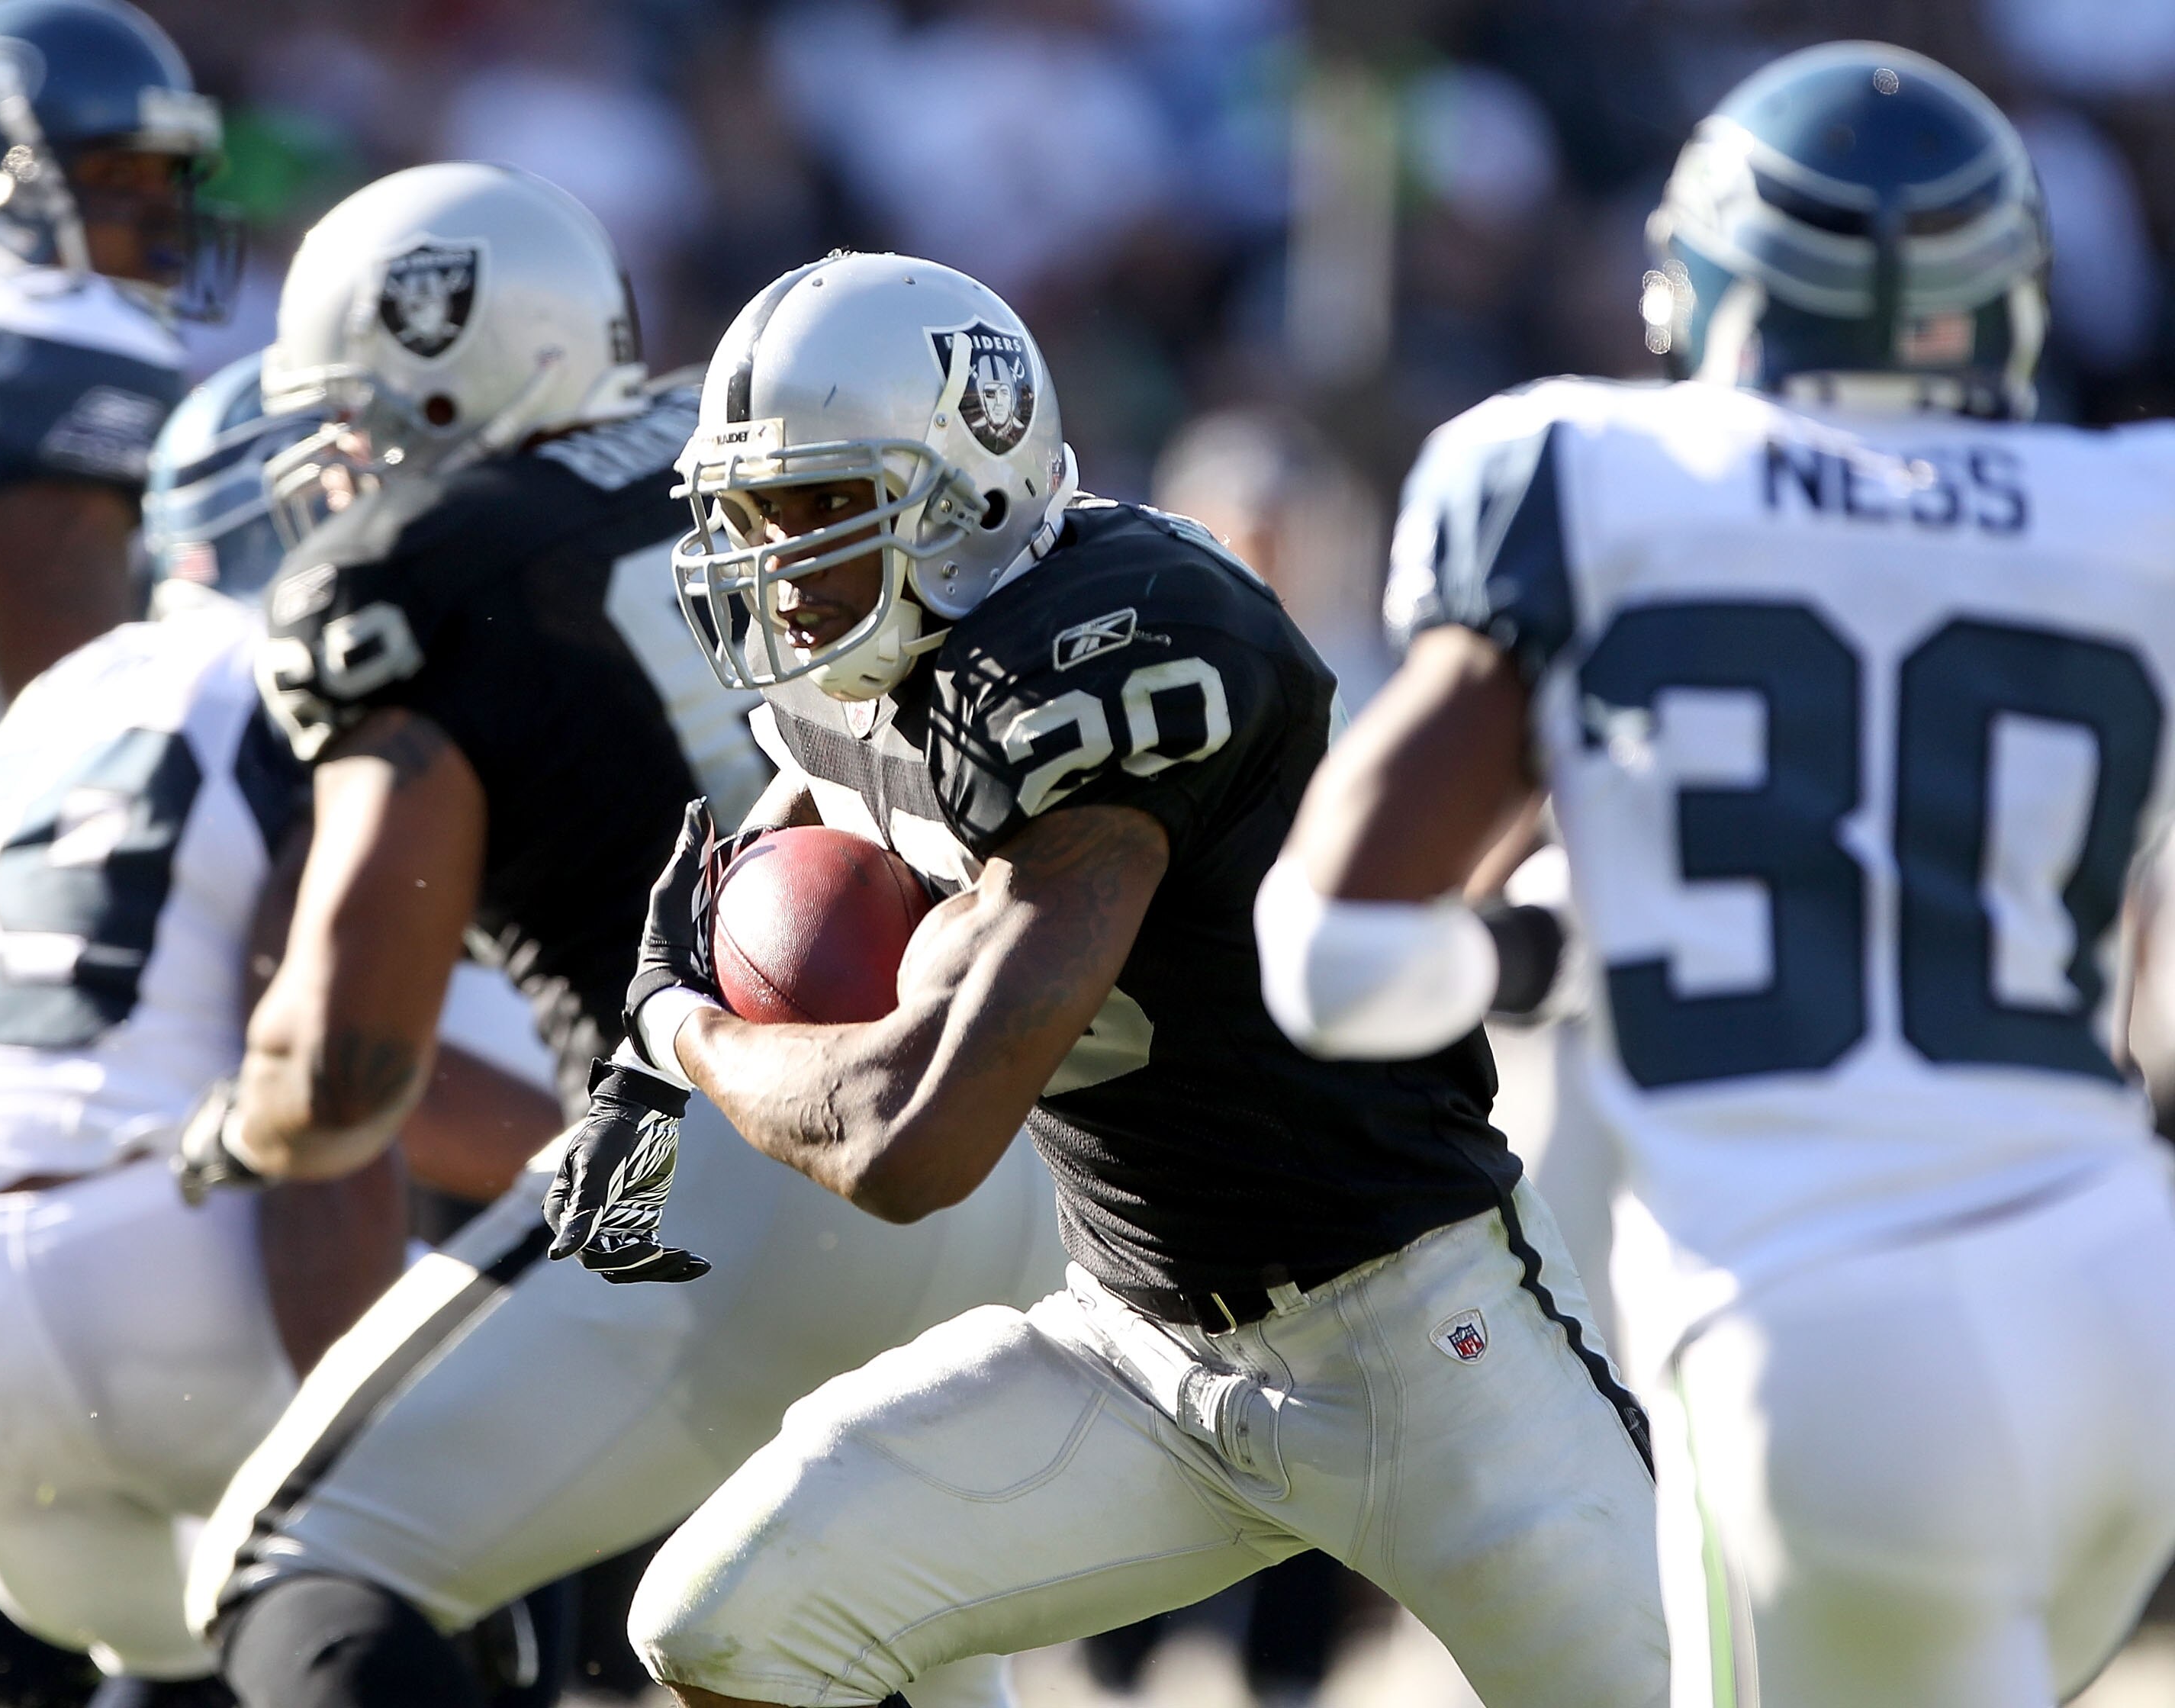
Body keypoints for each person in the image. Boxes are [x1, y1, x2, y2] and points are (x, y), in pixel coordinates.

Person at [559, 249, 1665, 1708]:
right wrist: (645, 1068)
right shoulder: (859, 669)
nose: (779, 558)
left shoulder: (1113, 652)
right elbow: (771, 866)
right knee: (728, 1623)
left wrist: (677, 1027)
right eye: (757, 511)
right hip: (1142, 1349)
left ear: (970, 479)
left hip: (1424, 1341)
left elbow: (911, 1142)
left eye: (824, 505)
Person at [1256, 42, 2175, 1708]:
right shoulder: (2136, 505)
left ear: (1708, 283)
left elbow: (1334, 955)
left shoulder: (1591, 478)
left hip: (1826, 1330)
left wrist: (1549, 955)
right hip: (2125, 1297)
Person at [173, 166, 1061, 1708]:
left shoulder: (423, 568)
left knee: (296, 1564)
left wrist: (234, 1128)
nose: (333, 461)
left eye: (353, 410)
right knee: (829, 1649)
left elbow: (347, 1071)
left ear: (443, 381)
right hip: (998, 1153)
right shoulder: (758, 456)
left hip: (721, 1150)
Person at [0, 352, 439, 1708]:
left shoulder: (58, 703)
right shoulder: (323, 680)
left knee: (183, 1651)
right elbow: (325, 1056)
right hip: (163, 1273)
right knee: (496, 1503)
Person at [0, 0, 234, 1035]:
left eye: (168, 182)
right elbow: (79, 721)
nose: (160, 217)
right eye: (117, 176)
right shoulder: (52, 337)